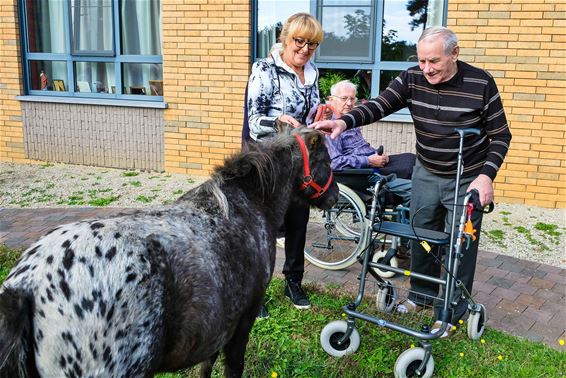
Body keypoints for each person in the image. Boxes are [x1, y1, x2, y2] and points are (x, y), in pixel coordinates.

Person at [312, 27, 512, 336]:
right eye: (421, 61)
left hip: (466, 178)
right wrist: (343, 120)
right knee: (422, 237)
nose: (427, 69)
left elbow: (501, 136)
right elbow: (379, 105)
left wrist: (486, 177)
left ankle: (452, 312)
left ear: (454, 54)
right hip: (426, 173)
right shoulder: (411, 78)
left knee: (461, 245)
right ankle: (421, 297)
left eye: (434, 61)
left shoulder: (480, 83)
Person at [246, 13, 324, 312]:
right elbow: (254, 121)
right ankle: (256, 292)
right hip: (270, 161)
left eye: (312, 44)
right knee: (264, 229)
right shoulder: (264, 69)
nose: (305, 49)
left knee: (298, 224)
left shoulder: (312, 72)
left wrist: (321, 115)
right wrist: (277, 120)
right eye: (299, 41)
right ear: (285, 38)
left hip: (299, 162)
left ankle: (294, 282)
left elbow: (310, 114)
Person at [324, 80, 413, 208]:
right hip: (363, 173)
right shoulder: (331, 127)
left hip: (374, 162)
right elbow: (334, 162)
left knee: (411, 159)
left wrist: (378, 155)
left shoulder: (349, 121)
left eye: (352, 99)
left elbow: (359, 148)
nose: (349, 103)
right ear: (331, 100)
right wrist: (368, 160)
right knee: (412, 178)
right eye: (344, 98)